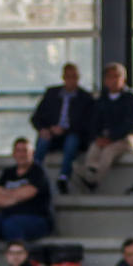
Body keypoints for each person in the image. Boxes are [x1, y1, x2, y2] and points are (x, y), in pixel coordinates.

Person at [30, 62, 95, 194]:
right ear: (63, 77)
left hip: (73, 134)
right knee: (42, 141)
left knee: (71, 142)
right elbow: (36, 117)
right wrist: (44, 128)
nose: (71, 80)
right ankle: (33, 174)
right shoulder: (51, 94)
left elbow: (87, 124)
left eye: (74, 77)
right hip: (51, 134)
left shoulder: (86, 98)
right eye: (68, 77)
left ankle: (63, 177)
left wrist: (65, 129)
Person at [81, 62, 133, 192]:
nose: (113, 80)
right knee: (94, 149)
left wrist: (112, 137)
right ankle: (89, 176)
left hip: (126, 139)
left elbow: (130, 124)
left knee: (108, 151)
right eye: (110, 77)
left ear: (123, 78)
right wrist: (98, 137)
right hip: (105, 138)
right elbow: (94, 122)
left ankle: (94, 181)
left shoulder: (131, 98)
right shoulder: (100, 99)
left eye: (117, 76)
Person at [0, 137, 54, 242]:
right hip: (7, 217)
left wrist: (5, 195)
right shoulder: (8, 172)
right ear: (13, 153)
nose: (21, 154)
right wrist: (16, 195)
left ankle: (18, 256)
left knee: (12, 224)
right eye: (18, 151)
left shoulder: (38, 172)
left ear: (33, 153)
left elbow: (27, 193)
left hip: (36, 219)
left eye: (25, 151)